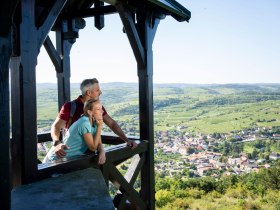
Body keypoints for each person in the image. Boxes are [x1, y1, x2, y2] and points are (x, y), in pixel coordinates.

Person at [51, 78, 137, 159]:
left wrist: (127, 140)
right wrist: (57, 143)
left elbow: (111, 123)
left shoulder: (97, 107)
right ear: (89, 93)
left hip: (89, 156)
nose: (100, 92)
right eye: (97, 90)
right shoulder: (70, 107)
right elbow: (56, 127)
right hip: (68, 156)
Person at [43, 99, 106, 164]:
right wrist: (100, 127)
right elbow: (93, 147)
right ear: (90, 112)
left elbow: (99, 142)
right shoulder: (84, 123)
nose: (102, 111)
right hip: (54, 160)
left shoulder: (95, 122)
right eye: (98, 109)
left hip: (67, 159)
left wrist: (102, 151)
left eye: (101, 109)